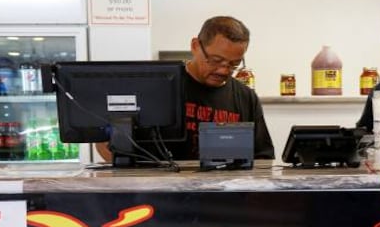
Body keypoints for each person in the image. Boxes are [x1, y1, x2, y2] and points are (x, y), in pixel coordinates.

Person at [97, 16, 275, 163]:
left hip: (223, 196)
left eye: (233, 64)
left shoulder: (246, 97)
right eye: (215, 60)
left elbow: (263, 158)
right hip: (163, 195)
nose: (224, 70)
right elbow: (106, 145)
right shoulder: (156, 87)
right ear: (195, 46)